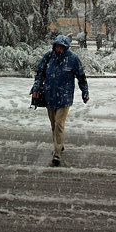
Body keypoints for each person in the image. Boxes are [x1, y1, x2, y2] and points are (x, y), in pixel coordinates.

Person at [31, 35, 89, 167]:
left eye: (62, 46)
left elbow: (81, 76)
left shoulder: (73, 59)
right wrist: (36, 88)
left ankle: (57, 153)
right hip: (49, 96)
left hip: (65, 98)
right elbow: (40, 73)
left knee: (59, 124)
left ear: (66, 47)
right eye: (57, 46)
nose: (59, 49)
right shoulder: (49, 57)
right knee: (53, 124)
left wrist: (85, 92)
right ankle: (60, 143)